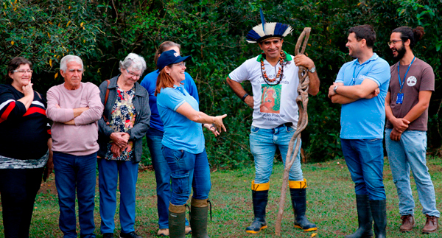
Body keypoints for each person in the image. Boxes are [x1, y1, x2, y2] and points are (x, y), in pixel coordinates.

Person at [226, 11, 320, 234]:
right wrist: (246, 98)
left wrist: (311, 66)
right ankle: (259, 219)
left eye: (275, 42)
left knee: (296, 173)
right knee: (261, 174)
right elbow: (231, 78)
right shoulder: (251, 65)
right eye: (266, 43)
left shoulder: (296, 63)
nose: (271, 46)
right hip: (260, 131)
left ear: (282, 42)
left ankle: (300, 218)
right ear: (260, 46)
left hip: (289, 130)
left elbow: (314, 91)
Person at [156, 49, 226, 238]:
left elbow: (193, 116)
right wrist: (213, 119)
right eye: (179, 65)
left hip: (197, 148)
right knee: (180, 194)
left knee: (203, 189)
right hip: (179, 150)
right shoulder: (166, 93)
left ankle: (200, 235)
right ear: (167, 70)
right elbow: (193, 115)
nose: (184, 67)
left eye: (183, 64)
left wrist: (206, 124)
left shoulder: (182, 88)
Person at [328, 25, 390, 238]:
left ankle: (380, 233)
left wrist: (342, 88)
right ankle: (364, 230)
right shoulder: (347, 66)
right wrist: (359, 92)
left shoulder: (380, 65)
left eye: (349, 40)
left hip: (369, 136)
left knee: (374, 184)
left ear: (362, 41)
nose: (347, 44)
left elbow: (361, 90)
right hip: (347, 135)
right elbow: (333, 98)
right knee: (360, 183)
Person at [140, 41, 199, 236]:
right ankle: (165, 223)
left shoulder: (187, 78)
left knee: (184, 179)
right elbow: (141, 109)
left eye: (179, 56)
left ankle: (182, 220)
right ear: (162, 60)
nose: (180, 62)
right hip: (158, 134)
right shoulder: (149, 80)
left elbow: (194, 107)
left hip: (184, 138)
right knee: (164, 179)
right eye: (173, 56)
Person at [385, 26, 439, 233]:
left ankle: (431, 216)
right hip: (391, 130)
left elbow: (423, 103)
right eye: (390, 42)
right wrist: (392, 121)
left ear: (407, 42)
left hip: (414, 130)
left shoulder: (424, 69)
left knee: (420, 173)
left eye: (394, 42)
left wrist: (401, 124)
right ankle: (407, 216)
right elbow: (385, 101)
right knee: (399, 176)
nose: (391, 46)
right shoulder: (390, 70)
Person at [46, 55, 104, 238]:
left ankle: (88, 234)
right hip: (62, 155)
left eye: (79, 70)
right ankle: (69, 234)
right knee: (65, 199)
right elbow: (53, 114)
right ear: (63, 73)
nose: (76, 74)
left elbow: (96, 111)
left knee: (87, 199)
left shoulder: (91, 88)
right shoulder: (54, 91)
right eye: (72, 70)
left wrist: (68, 119)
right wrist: (81, 111)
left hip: (88, 154)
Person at [97, 53, 150, 238]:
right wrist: (112, 137)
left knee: (129, 191)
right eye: (131, 73)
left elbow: (145, 121)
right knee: (108, 190)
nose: (134, 78)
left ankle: (127, 230)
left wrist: (127, 137)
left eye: (138, 75)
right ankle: (107, 230)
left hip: (130, 148)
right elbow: (96, 116)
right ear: (122, 68)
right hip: (108, 148)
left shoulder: (142, 92)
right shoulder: (106, 87)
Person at [0, 57, 53, 238]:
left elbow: (46, 125)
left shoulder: (39, 96)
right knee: (14, 201)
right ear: (10, 74)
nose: (26, 74)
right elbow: (11, 112)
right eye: (21, 70)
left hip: (36, 162)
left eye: (29, 70)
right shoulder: (4, 92)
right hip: (10, 162)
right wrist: (28, 95)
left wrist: (51, 153)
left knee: (28, 203)